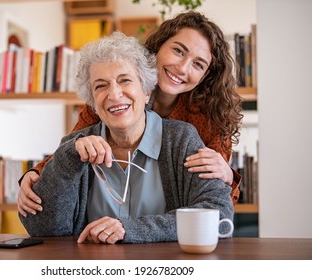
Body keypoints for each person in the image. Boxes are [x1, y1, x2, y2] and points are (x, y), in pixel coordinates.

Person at [18, 11, 243, 217]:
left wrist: (228, 176)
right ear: (157, 48)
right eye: (178, 51)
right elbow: (75, 144)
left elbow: (216, 204)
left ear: (204, 76)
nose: (183, 68)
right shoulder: (114, 98)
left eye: (198, 64)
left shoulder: (212, 116)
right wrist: (36, 173)